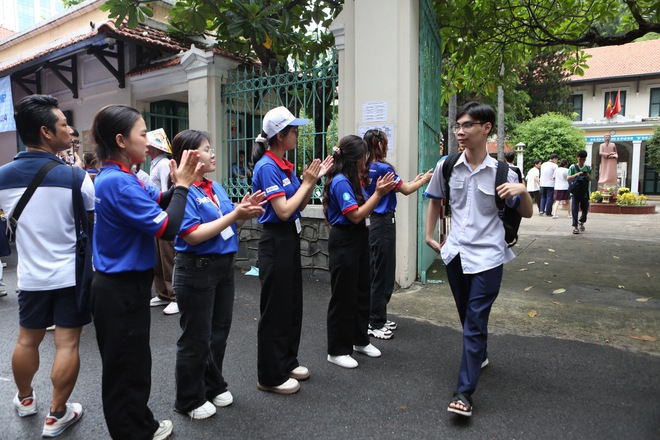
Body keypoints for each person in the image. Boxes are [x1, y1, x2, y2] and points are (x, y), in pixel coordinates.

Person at [90, 104, 201, 440]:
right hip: (118, 287)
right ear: (122, 140)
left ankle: (142, 424)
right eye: (143, 133)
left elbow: (161, 198)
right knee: (125, 367)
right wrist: (182, 186)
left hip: (128, 285)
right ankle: (132, 432)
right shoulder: (118, 183)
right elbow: (167, 227)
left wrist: (181, 183)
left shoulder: (128, 177)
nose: (149, 139)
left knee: (134, 363)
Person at [424, 102, 532, 417]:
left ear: (486, 128)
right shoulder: (447, 165)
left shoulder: (504, 172)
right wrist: (429, 236)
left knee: (474, 320)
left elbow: (526, 212)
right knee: (466, 314)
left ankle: (464, 392)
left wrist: (523, 191)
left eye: (468, 125)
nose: (460, 131)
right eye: (458, 125)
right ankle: (480, 351)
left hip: (488, 256)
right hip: (456, 253)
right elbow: (435, 200)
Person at [0, 95, 94, 437]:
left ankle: (25, 400)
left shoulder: (2, 177)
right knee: (67, 344)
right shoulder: (77, 177)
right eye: (63, 125)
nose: (69, 130)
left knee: (27, 341)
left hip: (30, 277)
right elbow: (89, 220)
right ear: (45, 131)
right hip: (70, 275)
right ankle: (56, 415)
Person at [170, 130, 264, 419]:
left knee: (218, 332)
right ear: (190, 155)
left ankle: (212, 385)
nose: (213, 154)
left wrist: (240, 211)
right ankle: (188, 399)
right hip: (196, 269)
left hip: (222, 267)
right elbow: (193, 235)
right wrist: (235, 216)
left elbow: (224, 222)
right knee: (196, 337)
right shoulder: (183, 192)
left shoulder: (216, 187)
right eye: (206, 149)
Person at [251, 106, 332, 395]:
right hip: (275, 239)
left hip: (288, 239)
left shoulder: (282, 165)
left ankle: (286, 360)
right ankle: (269, 375)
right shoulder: (268, 167)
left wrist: (312, 180)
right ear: (280, 135)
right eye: (294, 130)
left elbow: (298, 201)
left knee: (291, 304)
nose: (297, 134)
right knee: (275, 309)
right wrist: (308, 181)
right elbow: (284, 210)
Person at [324, 135, 396, 369]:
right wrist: (379, 193)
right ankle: (337, 350)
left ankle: (359, 340)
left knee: (362, 290)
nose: (368, 160)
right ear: (357, 158)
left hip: (357, 237)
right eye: (365, 155)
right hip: (344, 239)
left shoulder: (353, 179)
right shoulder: (341, 181)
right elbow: (355, 214)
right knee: (343, 296)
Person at [363, 129, 432, 340]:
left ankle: (377, 317)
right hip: (383, 223)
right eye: (385, 142)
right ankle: (375, 323)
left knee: (375, 270)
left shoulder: (364, 166)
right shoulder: (384, 168)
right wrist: (425, 179)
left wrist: (414, 180)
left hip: (371, 222)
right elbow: (407, 189)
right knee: (383, 274)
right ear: (379, 145)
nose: (388, 145)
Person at [147, 139, 178, 315]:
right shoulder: (155, 164)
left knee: (167, 257)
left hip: (163, 214)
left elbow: (169, 192)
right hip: (156, 214)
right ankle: (163, 293)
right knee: (158, 258)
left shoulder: (164, 164)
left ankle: (174, 295)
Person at [567, 150, 593, 235]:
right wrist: (577, 174)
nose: (581, 161)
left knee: (585, 209)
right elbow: (568, 178)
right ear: (577, 158)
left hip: (585, 192)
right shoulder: (573, 167)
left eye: (583, 159)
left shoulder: (588, 168)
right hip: (575, 192)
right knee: (574, 209)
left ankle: (581, 221)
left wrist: (587, 174)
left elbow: (591, 179)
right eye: (580, 159)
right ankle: (575, 226)